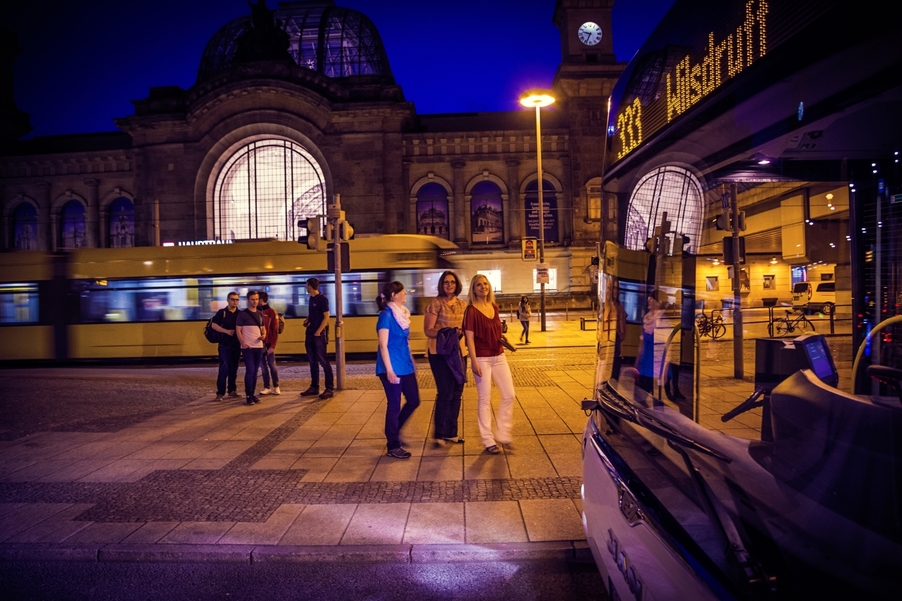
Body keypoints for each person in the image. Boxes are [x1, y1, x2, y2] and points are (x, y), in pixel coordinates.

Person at [463, 274, 516, 454]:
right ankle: (487, 440)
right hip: (483, 359)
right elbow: (469, 338)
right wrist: (473, 361)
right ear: (473, 289)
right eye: (479, 285)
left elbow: (495, 329)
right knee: (485, 399)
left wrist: (501, 337)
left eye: (485, 284)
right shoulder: (471, 310)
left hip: (499, 355)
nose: (483, 287)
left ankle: (503, 433)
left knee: (509, 395)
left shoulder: (494, 306)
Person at [376, 281, 421, 459]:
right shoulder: (386, 316)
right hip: (391, 366)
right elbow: (383, 345)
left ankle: (396, 429)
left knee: (414, 400)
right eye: (403, 292)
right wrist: (389, 370)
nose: (405, 294)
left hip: (405, 365)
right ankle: (393, 445)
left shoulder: (402, 315)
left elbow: (405, 341)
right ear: (394, 295)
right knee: (394, 405)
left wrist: (412, 362)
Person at [423, 270, 467, 445]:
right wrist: (448, 333)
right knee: (445, 392)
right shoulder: (435, 304)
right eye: (446, 282)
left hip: (459, 353)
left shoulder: (463, 305)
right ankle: (439, 434)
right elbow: (428, 330)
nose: (449, 285)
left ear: (457, 285)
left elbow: (466, 329)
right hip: (440, 353)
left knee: (457, 392)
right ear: (441, 285)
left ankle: (451, 432)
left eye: (453, 282)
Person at [300, 278, 334, 400]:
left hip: (318, 335)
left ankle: (329, 388)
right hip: (310, 333)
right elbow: (313, 314)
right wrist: (307, 320)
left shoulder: (322, 299)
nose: (305, 287)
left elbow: (326, 317)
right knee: (312, 362)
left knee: (323, 361)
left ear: (309, 286)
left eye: (306, 285)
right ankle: (314, 387)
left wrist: (319, 331)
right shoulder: (311, 299)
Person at [236, 289, 266, 406]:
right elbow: (238, 330)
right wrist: (242, 343)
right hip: (248, 347)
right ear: (248, 300)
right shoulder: (242, 314)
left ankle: (252, 394)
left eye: (257, 299)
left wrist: (264, 335)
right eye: (252, 299)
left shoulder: (260, 313)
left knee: (255, 371)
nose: (255, 302)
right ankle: (248, 396)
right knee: (250, 370)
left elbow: (263, 328)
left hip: (258, 346)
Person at [211, 291, 241, 402]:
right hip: (224, 344)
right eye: (233, 299)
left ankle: (232, 390)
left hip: (236, 345)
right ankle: (220, 393)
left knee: (234, 368)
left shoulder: (240, 313)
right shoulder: (222, 312)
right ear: (228, 300)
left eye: (237, 299)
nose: (235, 301)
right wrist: (226, 331)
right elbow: (213, 325)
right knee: (224, 368)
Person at [637, 289, 664, 394]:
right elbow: (642, 342)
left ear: (658, 302)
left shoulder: (662, 320)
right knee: (640, 396)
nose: (649, 300)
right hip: (644, 364)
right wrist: (637, 362)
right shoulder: (646, 318)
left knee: (654, 399)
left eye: (651, 298)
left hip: (655, 366)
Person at [602, 278, 627, 379]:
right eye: (613, 288)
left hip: (614, 345)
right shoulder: (605, 306)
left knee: (613, 376)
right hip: (605, 346)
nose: (615, 291)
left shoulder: (619, 308)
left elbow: (622, 333)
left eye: (617, 288)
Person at [258, 291, 280, 395]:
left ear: (261, 300)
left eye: (257, 299)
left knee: (272, 365)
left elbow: (275, 330)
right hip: (258, 343)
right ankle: (267, 387)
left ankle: (276, 386)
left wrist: (273, 345)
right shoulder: (255, 311)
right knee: (263, 366)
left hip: (268, 343)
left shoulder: (271, 312)